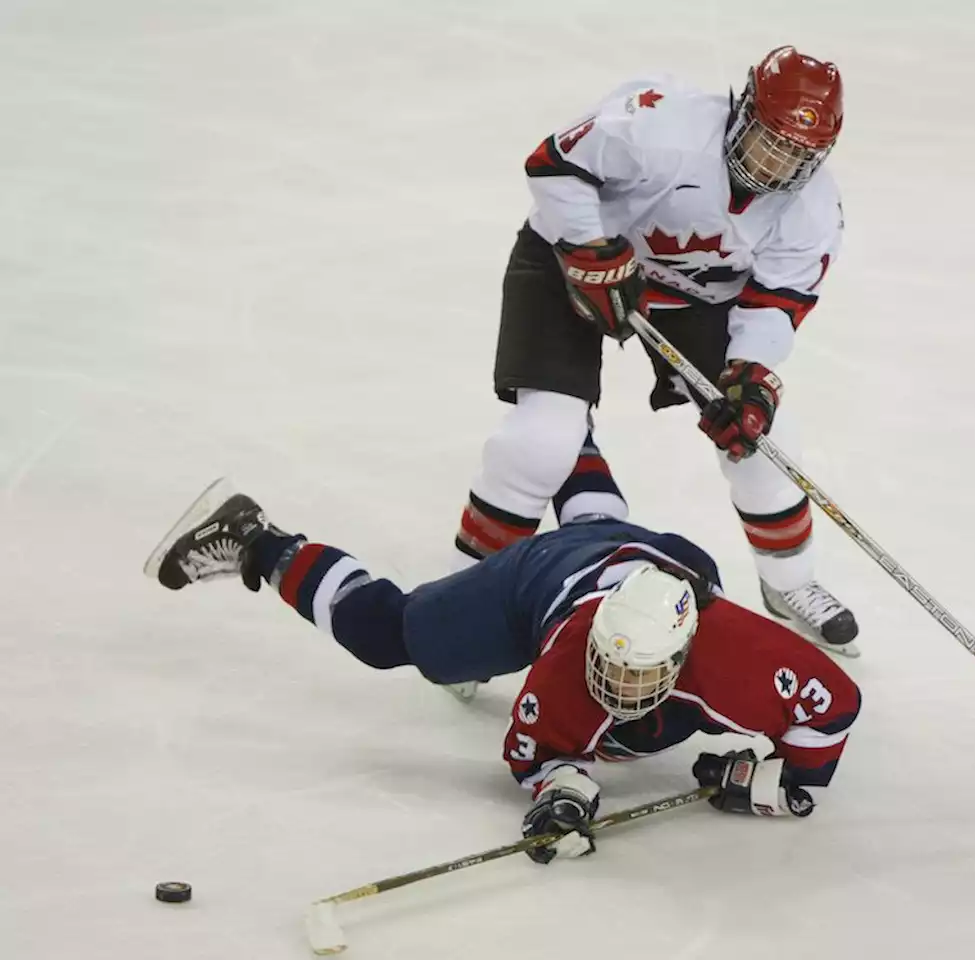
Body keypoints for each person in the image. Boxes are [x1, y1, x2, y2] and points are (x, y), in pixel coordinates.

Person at [144, 459, 861, 864]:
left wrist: (787, 782)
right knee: (391, 636)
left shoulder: (737, 652)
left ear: (683, 650)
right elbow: (533, 753)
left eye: (642, 673)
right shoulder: (564, 670)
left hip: (667, 564)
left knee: (605, 533)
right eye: (612, 667)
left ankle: (569, 445)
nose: (619, 687)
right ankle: (256, 539)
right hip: (539, 585)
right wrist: (561, 788)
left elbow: (832, 705)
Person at [451, 46, 860, 680]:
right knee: (541, 442)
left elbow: (777, 300)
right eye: (768, 141)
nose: (776, 165)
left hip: (697, 299)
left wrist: (751, 380)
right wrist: (588, 246)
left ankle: (790, 582)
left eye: (797, 155)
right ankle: (472, 600)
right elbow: (553, 163)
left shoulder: (813, 209)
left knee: (763, 440)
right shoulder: (660, 125)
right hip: (571, 265)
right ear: (741, 108)